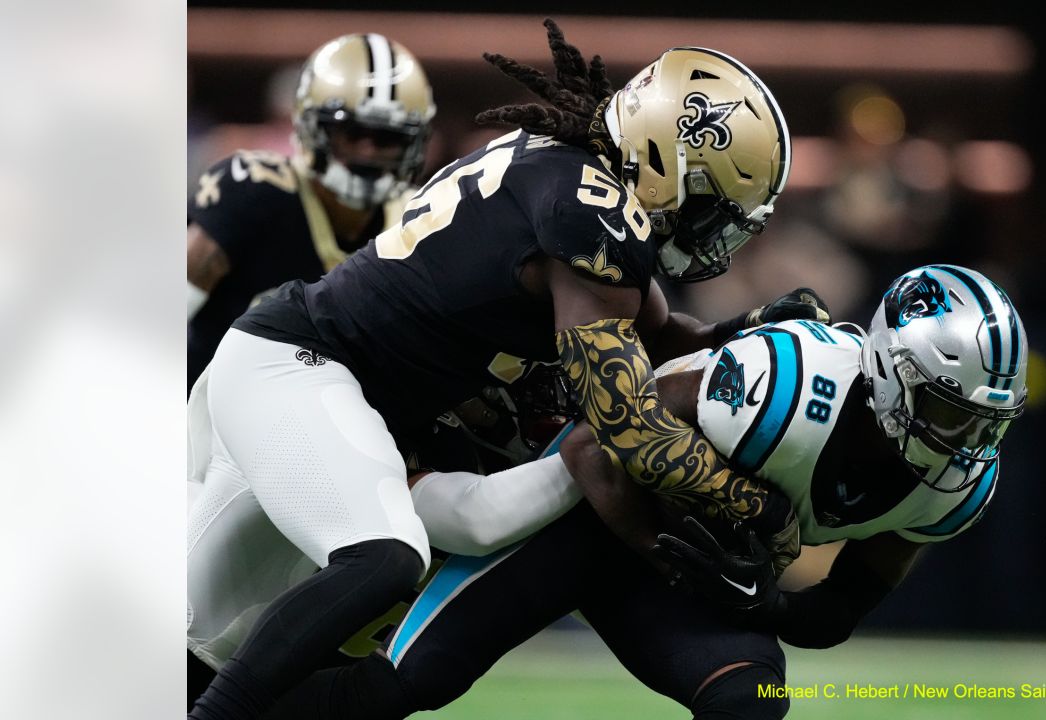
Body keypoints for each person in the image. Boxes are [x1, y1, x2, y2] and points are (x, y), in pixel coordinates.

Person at [187, 19, 820, 719]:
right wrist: (761, 509)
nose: (710, 234)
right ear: (664, 160)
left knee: (201, 634)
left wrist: (746, 329)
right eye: (708, 206)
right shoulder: (592, 215)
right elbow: (629, 428)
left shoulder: (563, 174)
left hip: (325, 390)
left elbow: (663, 330)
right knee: (382, 560)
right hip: (302, 369)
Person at [253, 264, 1029, 720]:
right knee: (403, 683)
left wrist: (768, 607)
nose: (966, 442)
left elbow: (840, 611)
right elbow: (596, 447)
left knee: (749, 704)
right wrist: (674, 554)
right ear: (891, 370)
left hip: (680, 561)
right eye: (949, 412)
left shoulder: (955, 488)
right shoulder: (787, 383)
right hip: (585, 514)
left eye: (984, 422)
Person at [186, 33, 436, 393]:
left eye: (387, 139)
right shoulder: (255, 190)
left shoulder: (418, 220)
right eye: (351, 133)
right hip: (211, 415)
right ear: (310, 126)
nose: (367, 152)